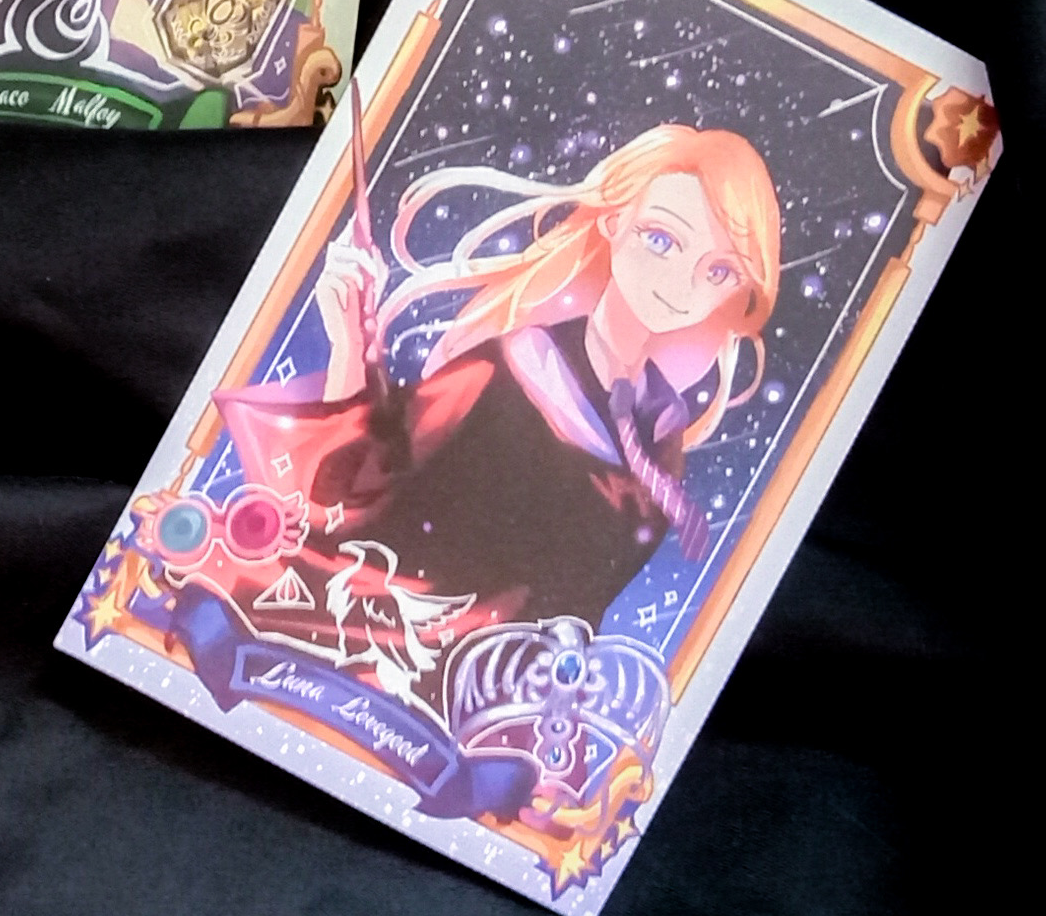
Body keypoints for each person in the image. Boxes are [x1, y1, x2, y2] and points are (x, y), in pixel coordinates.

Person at [209, 125, 783, 664]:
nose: (682, 283)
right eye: (660, 239)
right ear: (613, 221)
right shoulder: (510, 368)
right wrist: (349, 348)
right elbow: (350, 484)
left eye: (720, 272)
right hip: (389, 643)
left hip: (507, 689)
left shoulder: (661, 434)